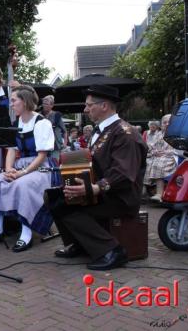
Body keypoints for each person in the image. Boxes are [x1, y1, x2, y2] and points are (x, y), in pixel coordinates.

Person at [53, 84, 147, 271]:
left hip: (120, 197)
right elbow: (94, 161)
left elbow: (123, 173)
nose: (85, 109)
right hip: (104, 192)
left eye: (89, 105)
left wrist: (94, 188)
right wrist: (69, 167)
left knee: (69, 208)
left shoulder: (125, 133)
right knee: (54, 198)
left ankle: (113, 251)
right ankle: (81, 243)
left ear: (104, 106)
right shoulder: (102, 131)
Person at [0, 86, 55, 252]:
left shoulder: (42, 123)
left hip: (41, 168)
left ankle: (26, 232)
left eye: (14, 100)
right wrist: (8, 169)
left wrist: (22, 173)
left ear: (25, 101)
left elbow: (42, 155)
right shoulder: (16, 124)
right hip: (20, 166)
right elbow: (11, 150)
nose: (11, 104)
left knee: (23, 185)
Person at [143, 114, 177, 202]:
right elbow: (151, 145)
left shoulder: (176, 134)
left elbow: (178, 149)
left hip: (171, 156)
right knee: (145, 162)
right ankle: (144, 190)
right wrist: (154, 151)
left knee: (159, 164)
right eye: (164, 122)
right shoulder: (158, 134)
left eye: (169, 122)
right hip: (157, 155)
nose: (166, 124)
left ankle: (159, 193)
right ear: (161, 125)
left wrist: (166, 152)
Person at [41, 95, 67, 160]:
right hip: (43, 145)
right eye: (43, 103)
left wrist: (65, 143)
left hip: (55, 145)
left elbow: (64, 131)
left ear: (52, 105)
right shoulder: (39, 115)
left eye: (46, 104)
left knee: (54, 163)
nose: (44, 105)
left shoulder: (56, 115)